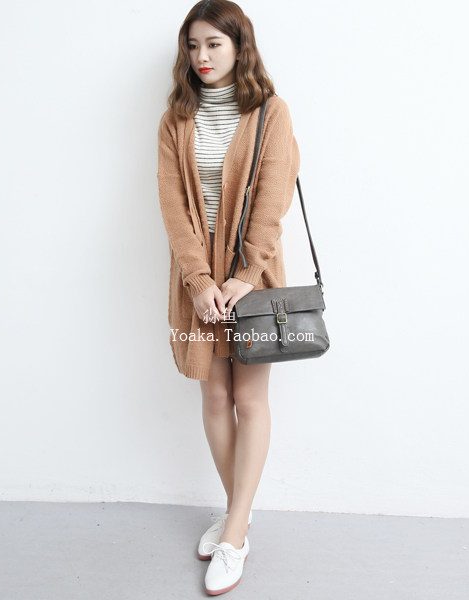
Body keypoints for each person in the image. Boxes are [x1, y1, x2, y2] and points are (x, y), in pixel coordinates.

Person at [156, 0, 299, 594]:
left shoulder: (270, 112)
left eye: (214, 43)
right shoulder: (176, 118)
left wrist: (243, 275)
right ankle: (238, 513)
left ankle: (235, 532)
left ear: (240, 46)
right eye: (193, 45)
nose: (202, 56)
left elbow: (273, 199)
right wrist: (199, 281)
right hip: (198, 282)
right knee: (214, 396)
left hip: (253, 278)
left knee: (248, 398)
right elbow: (172, 206)